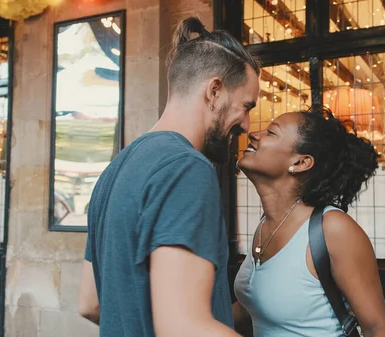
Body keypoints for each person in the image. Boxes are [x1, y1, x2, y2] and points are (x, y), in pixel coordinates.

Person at [77, 16, 260, 337]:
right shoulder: (186, 168)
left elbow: (90, 304)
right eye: (246, 106)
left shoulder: (113, 171)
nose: (246, 124)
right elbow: (183, 326)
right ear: (214, 91)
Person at [233, 108, 385, 337]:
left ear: (301, 162)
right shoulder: (266, 225)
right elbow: (255, 306)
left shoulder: (332, 228)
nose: (254, 134)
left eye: (271, 132)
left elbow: (377, 328)